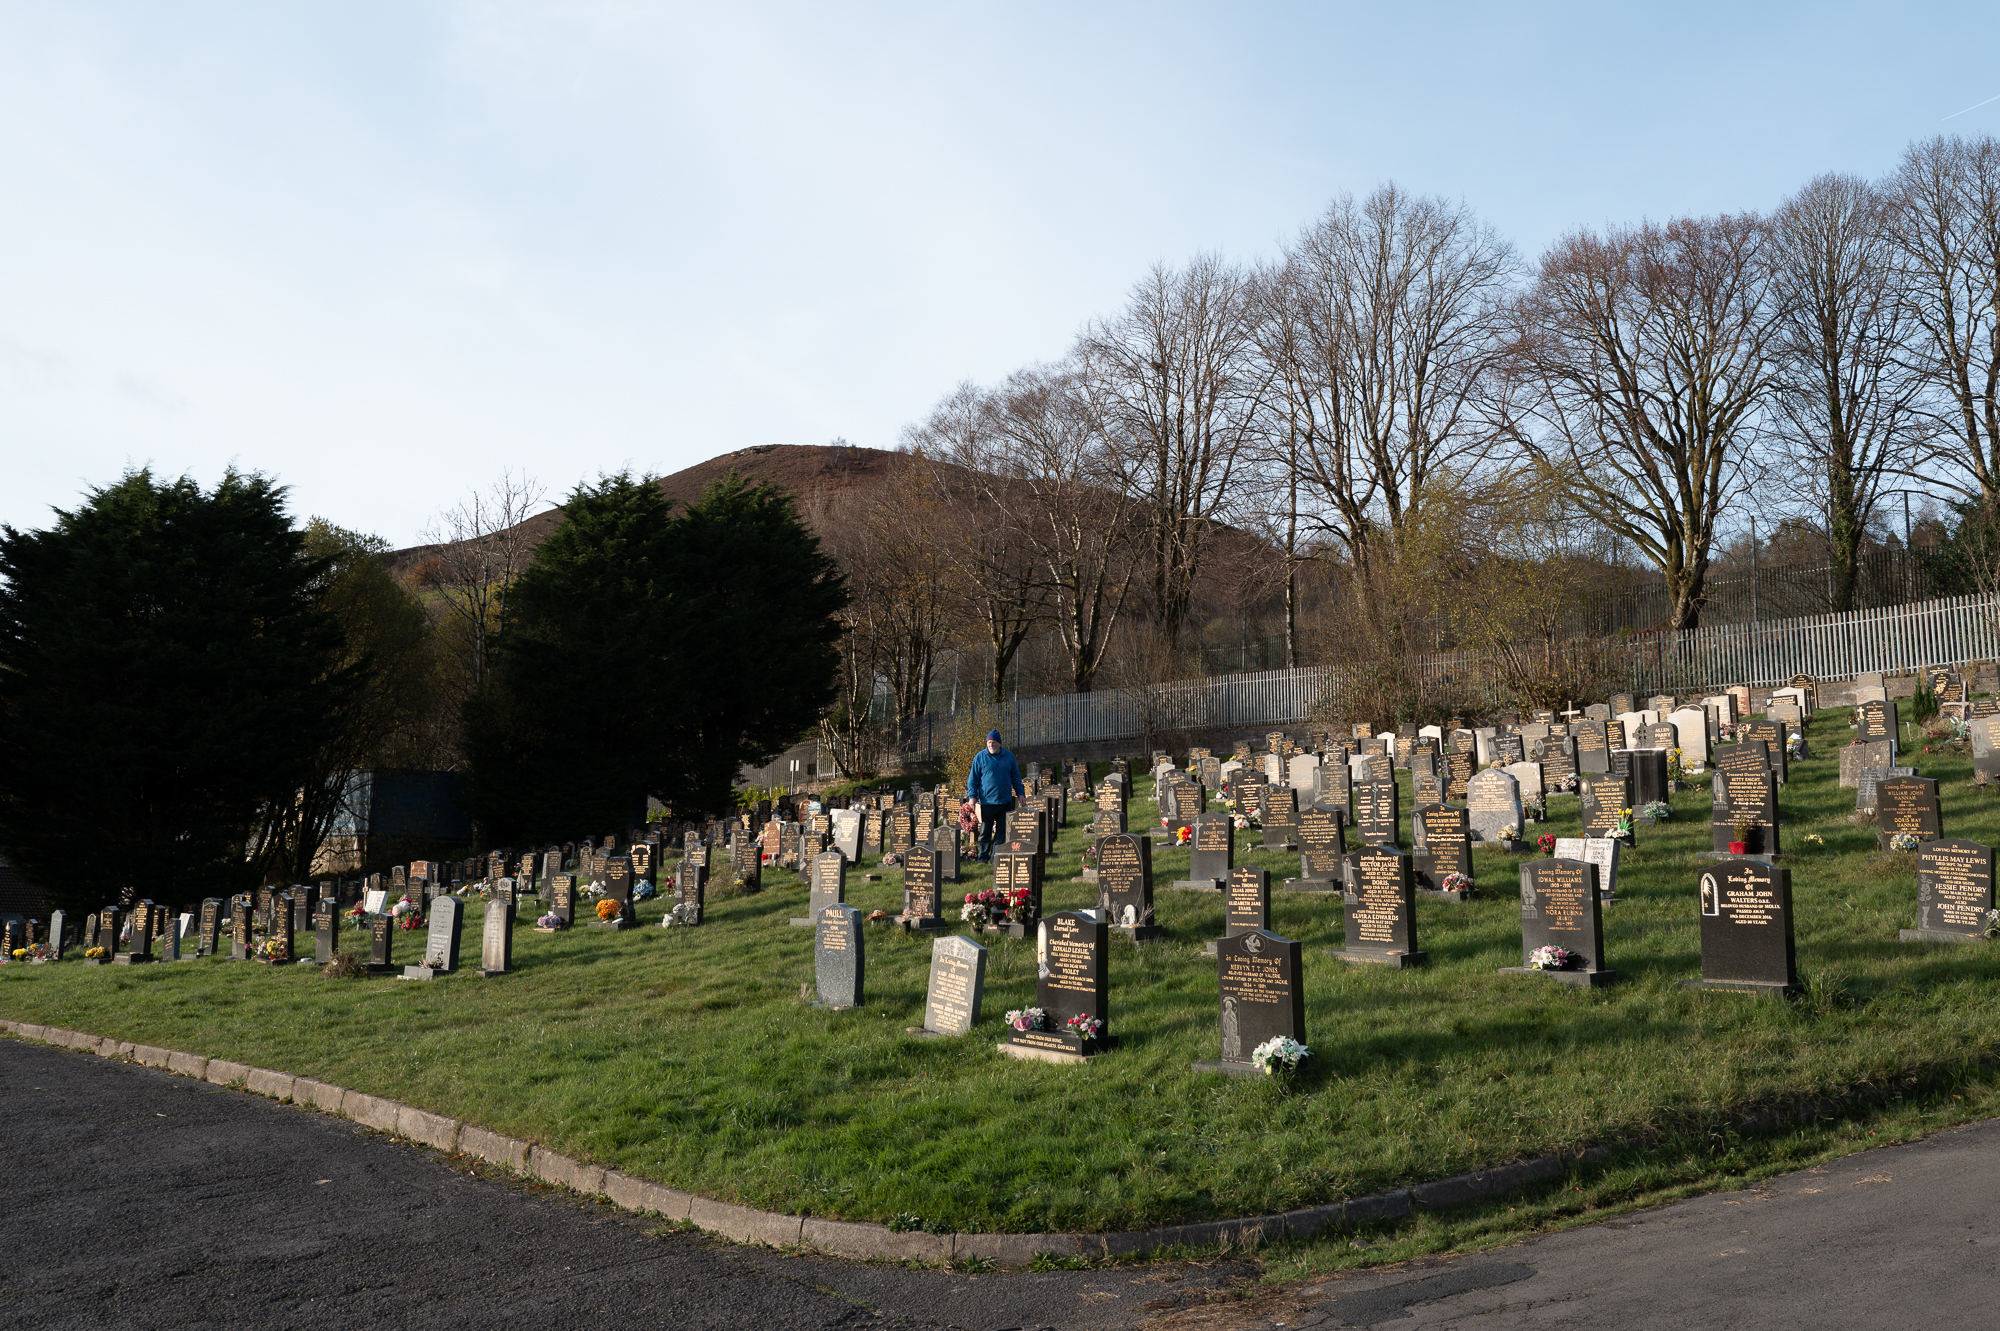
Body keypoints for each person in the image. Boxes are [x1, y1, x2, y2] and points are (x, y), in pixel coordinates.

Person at [965, 729, 1025, 862]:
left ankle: (995, 858)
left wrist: (1020, 794)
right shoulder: (980, 757)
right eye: (989, 742)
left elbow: (1016, 777)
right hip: (987, 803)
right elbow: (973, 779)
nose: (991, 745)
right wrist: (972, 797)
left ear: (999, 743)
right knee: (984, 832)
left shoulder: (1009, 756)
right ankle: (982, 858)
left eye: (994, 742)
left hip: (1005, 802)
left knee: (1001, 832)